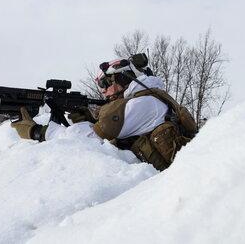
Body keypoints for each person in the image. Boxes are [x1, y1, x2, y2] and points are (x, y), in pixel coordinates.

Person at [12, 55, 195, 170]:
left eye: (106, 83)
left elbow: (86, 140)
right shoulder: (152, 98)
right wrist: (91, 119)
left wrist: (38, 132)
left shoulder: (141, 103)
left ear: (124, 78)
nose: (103, 90)